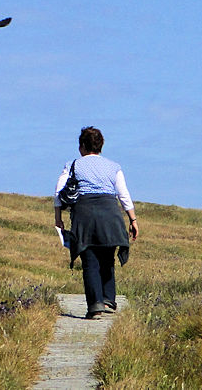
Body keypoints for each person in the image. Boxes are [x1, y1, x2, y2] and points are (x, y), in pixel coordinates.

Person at [54, 126, 138, 319]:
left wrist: (58, 218)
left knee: (89, 259)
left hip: (84, 215)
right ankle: (109, 298)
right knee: (107, 257)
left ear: (82, 146)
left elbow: (59, 193)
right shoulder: (113, 167)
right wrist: (133, 220)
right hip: (110, 213)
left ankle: (95, 305)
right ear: (101, 146)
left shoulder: (72, 165)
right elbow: (123, 195)